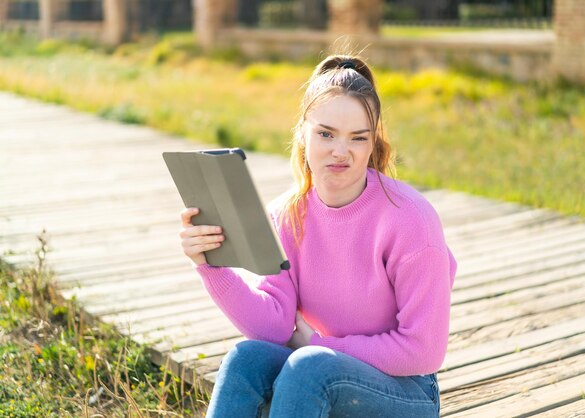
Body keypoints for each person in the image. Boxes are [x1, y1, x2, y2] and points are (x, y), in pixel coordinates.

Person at [179, 54, 458, 417]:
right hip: (321, 371)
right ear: (303, 133)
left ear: (372, 143)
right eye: (326, 133)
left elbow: (424, 350)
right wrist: (210, 266)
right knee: (246, 358)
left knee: (309, 366)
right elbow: (276, 326)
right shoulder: (287, 214)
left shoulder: (411, 220)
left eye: (357, 138)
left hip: (407, 393)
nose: (340, 152)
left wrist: (322, 344)